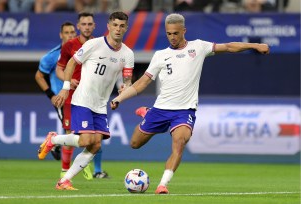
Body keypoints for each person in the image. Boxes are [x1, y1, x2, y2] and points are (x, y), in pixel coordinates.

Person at [110, 13, 270, 194]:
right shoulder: (160, 55)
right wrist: (118, 98)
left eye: (176, 33)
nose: (172, 37)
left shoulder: (199, 47)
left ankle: (163, 184)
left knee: (179, 142)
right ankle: (147, 113)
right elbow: (143, 83)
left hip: (184, 110)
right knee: (134, 144)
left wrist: (255, 45)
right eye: (169, 33)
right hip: (161, 109)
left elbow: (229, 47)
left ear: (184, 31)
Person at [38, 11, 134, 190]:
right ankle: (54, 139)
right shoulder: (94, 44)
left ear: (126, 28)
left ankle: (64, 181)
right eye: (115, 25)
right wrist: (66, 89)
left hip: (101, 104)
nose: (118, 29)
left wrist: (124, 90)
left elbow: (127, 80)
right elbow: (72, 63)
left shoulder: (128, 54)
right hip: (83, 99)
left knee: (95, 145)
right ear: (108, 26)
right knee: (85, 140)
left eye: (122, 26)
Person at [35, 21, 76, 160]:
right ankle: (69, 169)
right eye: (66, 33)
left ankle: (56, 143)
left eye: (72, 32)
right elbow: (39, 76)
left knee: (83, 132)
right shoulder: (52, 56)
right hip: (62, 99)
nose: (70, 35)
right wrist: (51, 95)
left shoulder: (80, 51)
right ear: (61, 35)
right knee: (73, 131)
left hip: (80, 97)